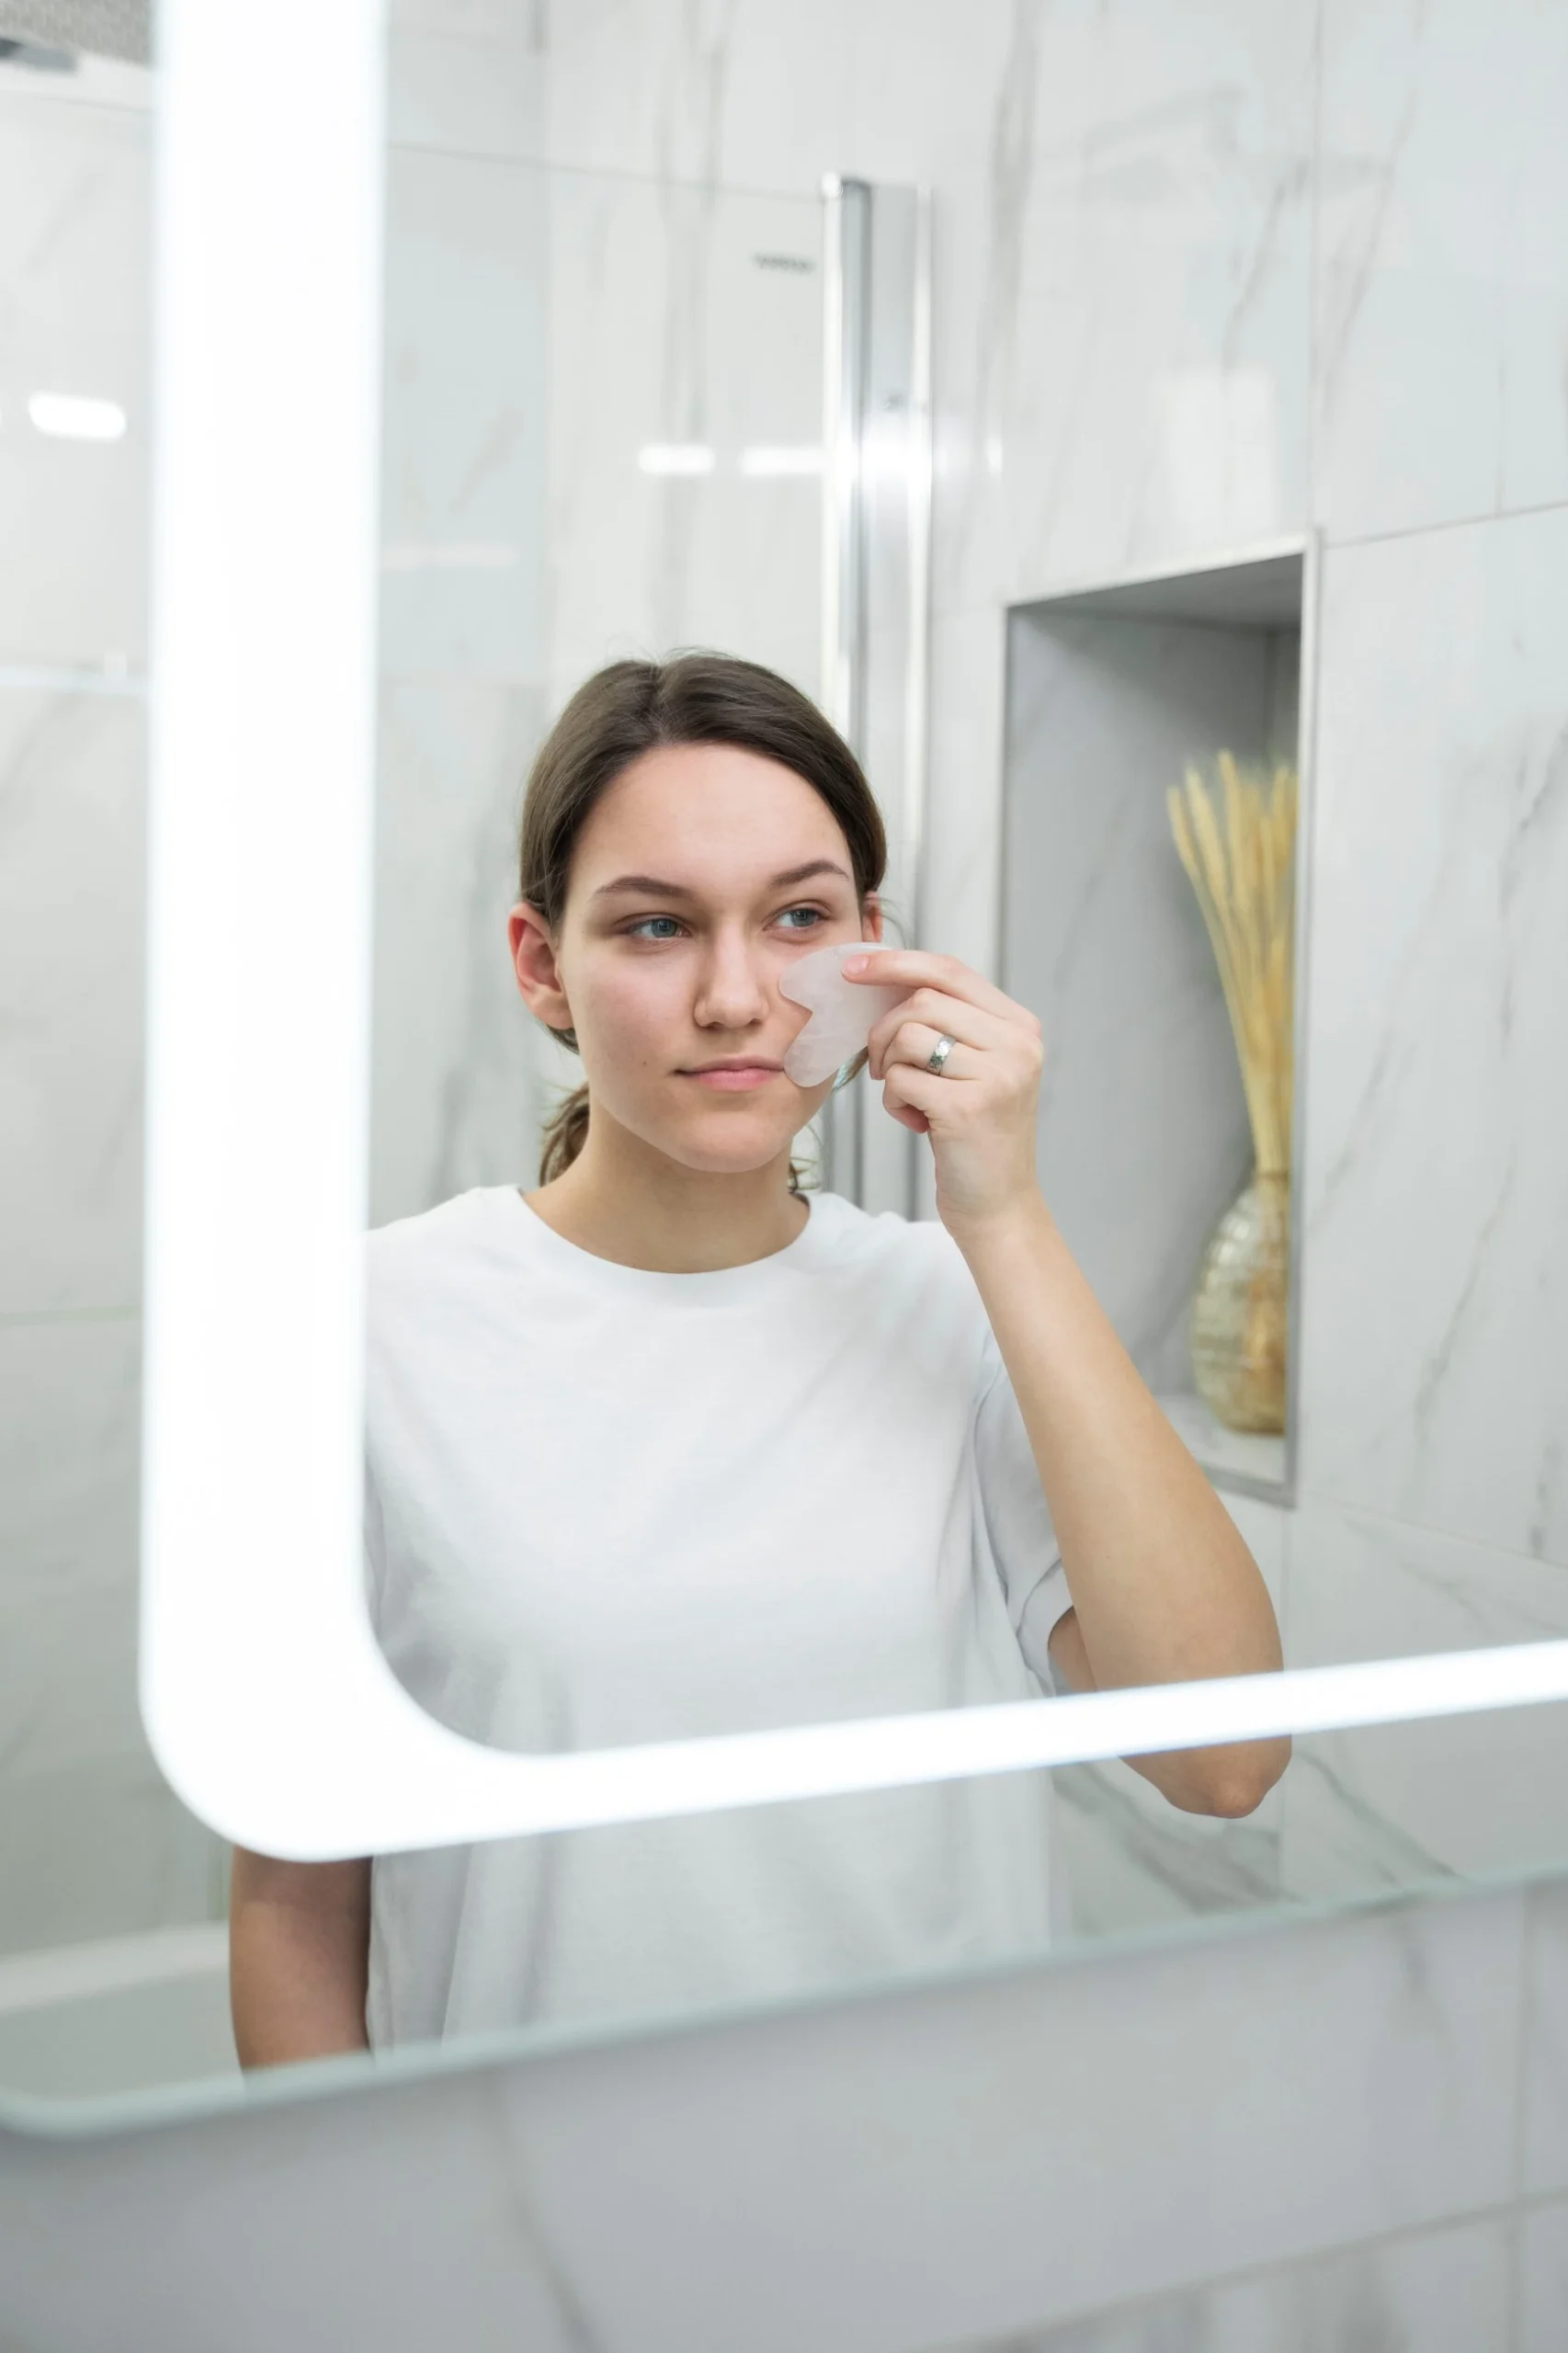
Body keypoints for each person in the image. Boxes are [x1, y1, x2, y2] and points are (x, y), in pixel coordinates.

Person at [229, 652, 1288, 2068]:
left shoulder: (955, 1303)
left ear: (875, 950)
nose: (735, 996)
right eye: (657, 927)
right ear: (543, 964)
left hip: (939, 2208)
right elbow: (296, 1903)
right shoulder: (364, 1327)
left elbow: (1220, 1759)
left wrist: (1005, 1218)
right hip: (518, 2229)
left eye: (797, 918)